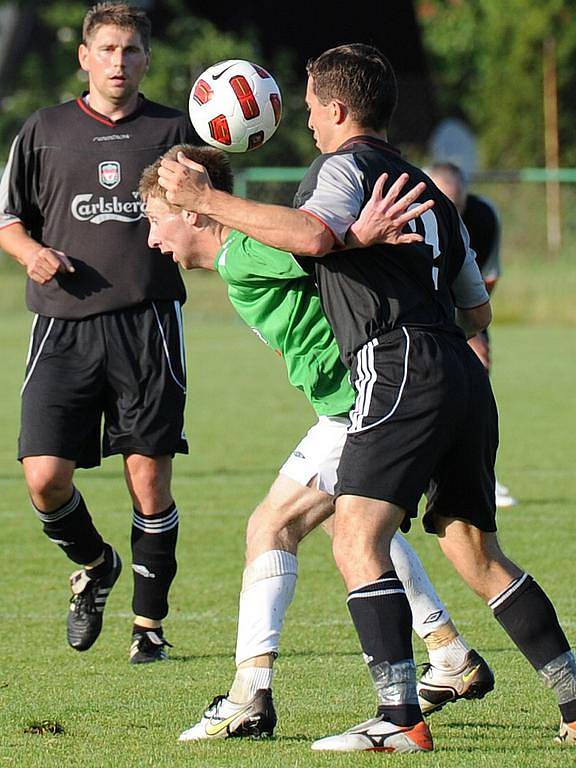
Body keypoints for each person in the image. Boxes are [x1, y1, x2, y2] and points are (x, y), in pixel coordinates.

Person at [157, 44, 576, 751]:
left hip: (396, 362)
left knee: (354, 536)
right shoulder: (430, 191)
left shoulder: (341, 168)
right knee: (474, 550)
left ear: (340, 108)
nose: (309, 122)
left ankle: (399, 718)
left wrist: (205, 199)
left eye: (314, 108)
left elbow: (314, 235)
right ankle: (571, 701)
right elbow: (477, 311)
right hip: (460, 370)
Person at [140, 143, 494, 741]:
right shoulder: (239, 259)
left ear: (193, 213)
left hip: (366, 402)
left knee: (270, 526)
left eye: (156, 218)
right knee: (349, 525)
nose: (152, 239)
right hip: (361, 403)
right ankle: (448, 652)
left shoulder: (249, 250)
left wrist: (356, 233)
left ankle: (249, 693)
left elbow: (317, 247)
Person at [0, 2, 197, 664]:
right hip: (61, 327)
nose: (119, 61)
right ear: (85, 57)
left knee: (148, 480)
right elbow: (8, 218)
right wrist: (31, 255)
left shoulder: (175, 130)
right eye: (107, 49)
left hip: (148, 325)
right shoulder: (45, 130)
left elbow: (213, 209)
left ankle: (149, 627)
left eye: (131, 50)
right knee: (44, 477)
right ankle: (93, 563)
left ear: (147, 59)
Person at [425, 162, 517, 508]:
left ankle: (477, 475)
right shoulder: (405, 209)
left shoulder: (483, 216)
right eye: (444, 202)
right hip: (416, 313)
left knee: (477, 369)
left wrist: (469, 328)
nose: (453, 213)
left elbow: (487, 279)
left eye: (458, 205)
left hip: (463, 305)